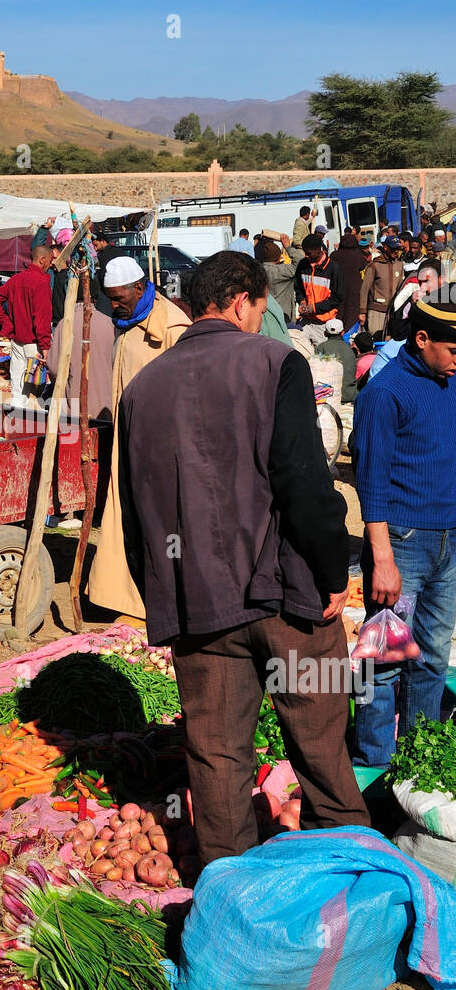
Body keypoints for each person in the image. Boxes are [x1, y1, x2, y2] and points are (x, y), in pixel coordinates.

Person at [117, 251, 369, 863]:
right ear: (241, 300)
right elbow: (304, 480)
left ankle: (228, 891)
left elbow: (133, 506)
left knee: (217, 755)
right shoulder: (274, 361)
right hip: (288, 597)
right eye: (260, 309)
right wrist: (333, 570)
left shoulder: (143, 386)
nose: (260, 320)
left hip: (199, 604)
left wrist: (164, 591)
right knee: (321, 747)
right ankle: (352, 882)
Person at [352, 297, 456, 767]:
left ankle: (417, 760)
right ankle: (376, 761)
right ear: (422, 340)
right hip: (403, 543)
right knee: (384, 660)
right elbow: (370, 482)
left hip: (449, 542)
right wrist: (382, 558)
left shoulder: (451, 384)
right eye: (452, 349)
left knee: (433, 657)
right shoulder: (385, 394)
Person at [87, 256, 190, 619]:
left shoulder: (174, 329)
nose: (114, 305)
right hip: (129, 443)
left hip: (161, 450)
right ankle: (131, 598)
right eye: (110, 298)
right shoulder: (128, 324)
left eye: (119, 298)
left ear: (141, 288)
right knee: (131, 521)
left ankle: (170, 599)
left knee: (166, 528)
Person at [0, 234, 55, 409]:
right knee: (37, 382)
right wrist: (45, 345)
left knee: (18, 376)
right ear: (41, 260)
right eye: (50, 260)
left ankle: (18, 409)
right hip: (34, 341)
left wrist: (7, 323)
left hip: (17, 338)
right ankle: (37, 415)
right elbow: (42, 318)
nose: (51, 263)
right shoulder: (40, 283)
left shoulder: (16, 279)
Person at [45, 267, 115, 422]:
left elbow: (54, 367)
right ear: (95, 297)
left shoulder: (65, 325)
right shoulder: (109, 324)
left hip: (74, 406)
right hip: (106, 407)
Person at [294, 233, 345, 345]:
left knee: (324, 358)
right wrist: (302, 301)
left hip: (324, 324)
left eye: (308, 253)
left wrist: (315, 308)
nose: (306, 256)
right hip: (306, 321)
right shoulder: (302, 265)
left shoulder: (333, 268)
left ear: (318, 250)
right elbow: (298, 288)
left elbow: (338, 297)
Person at [358, 235, 404, 339]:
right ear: (386, 247)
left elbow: (400, 289)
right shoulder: (374, 265)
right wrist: (362, 312)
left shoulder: (399, 265)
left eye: (398, 249)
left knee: (390, 340)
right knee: (376, 339)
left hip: (393, 311)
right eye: (393, 249)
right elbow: (364, 290)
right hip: (376, 310)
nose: (396, 252)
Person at [330, 230, 367, 332]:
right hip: (354, 288)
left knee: (340, 310)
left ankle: (337, 331)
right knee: (351, 311)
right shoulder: (358, 255)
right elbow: (363, 266)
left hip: (337, 287)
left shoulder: (334, 255)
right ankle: (349, 332)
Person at [314, 318, 357, 403]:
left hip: (331, 395)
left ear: (325, 333)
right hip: (350, 395)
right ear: (343, 333)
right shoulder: (349, 349)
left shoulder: (321, 347)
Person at [260, 233, 296, 321]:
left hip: (264, 316)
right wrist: (288, 247)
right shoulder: (283, 271)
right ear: (279, 257)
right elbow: (301, 261)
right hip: (283, 315)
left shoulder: (257, 271)